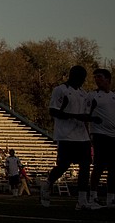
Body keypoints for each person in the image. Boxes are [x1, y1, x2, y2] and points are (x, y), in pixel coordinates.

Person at [40, 65, 96, 210]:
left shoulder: (83, 93)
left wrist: (91, 121)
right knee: (64, 166)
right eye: (80, 78)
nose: (82, 81)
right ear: (72, 76)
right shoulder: (60, 90)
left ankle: (82, 200)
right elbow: (53, 111)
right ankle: (48, 184)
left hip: (82, 136)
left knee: (85, 166)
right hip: (66, 135)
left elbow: (84, 115)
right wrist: (75, 117)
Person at [87, 68, 114, 207]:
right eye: (95, 77)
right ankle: (93, 195)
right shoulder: (92, 96)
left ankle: (111, 197)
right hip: (99, 134)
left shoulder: (113, 96)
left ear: (108, 79)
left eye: (100, 77)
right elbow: (86, 113)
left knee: (113, 167)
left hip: (112, 135)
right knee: (99, 165)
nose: (97, 79)